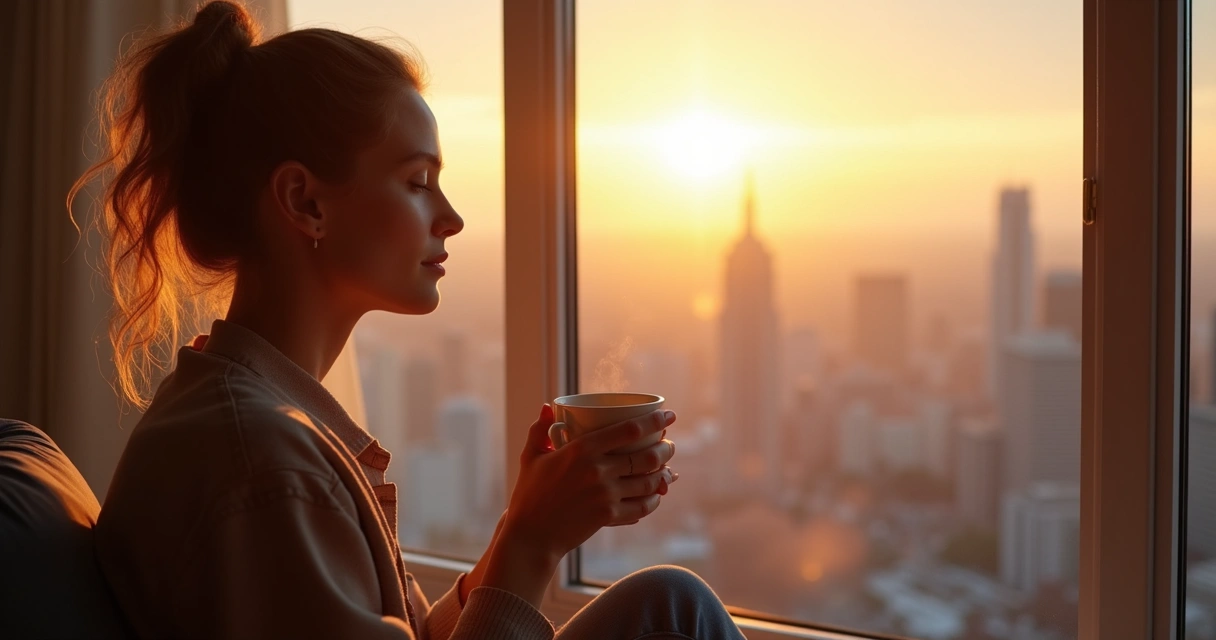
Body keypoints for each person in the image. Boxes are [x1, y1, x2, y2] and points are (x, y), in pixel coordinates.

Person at [74, 2, 746, 639]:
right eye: (418, 181)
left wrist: (526, 524)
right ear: (306, 202)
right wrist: (537, 547)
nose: (451, 217)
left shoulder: (265, 420)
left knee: (670, 607)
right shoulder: (264, 467)